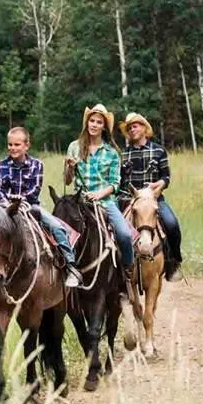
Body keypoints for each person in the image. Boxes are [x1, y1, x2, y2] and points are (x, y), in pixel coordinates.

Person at [0, 127, 83, 288]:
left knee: (56, 226)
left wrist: (20, 201)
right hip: (4, 209)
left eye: (17, 145)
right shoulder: (1, 166)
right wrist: (6, 203)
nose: (13, 148)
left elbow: (35, 190)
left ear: (27, 145)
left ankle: (71, 265)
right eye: (10, 145)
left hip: (29, 206)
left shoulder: (36, 165)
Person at [63, 104, 135, 279]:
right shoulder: (74, 147)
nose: (94, 125)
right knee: (58, 229)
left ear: (104, 127)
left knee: (125, 234)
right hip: (79, 201)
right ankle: (62, 270)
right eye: (92, 121)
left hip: (105, 202)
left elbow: (115, 184)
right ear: (87, 123)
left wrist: (98, 195)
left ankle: (128, 268)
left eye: (98, 122)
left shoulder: (112, 153)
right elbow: (67, 180)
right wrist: (70, 167)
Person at [117, 112, 183, 281]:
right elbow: (120, 181)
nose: (132, 130)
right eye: (129, 128)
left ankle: (173, 262)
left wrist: (160, 185)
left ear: (144, 128)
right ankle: (117, 270)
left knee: (172, 224)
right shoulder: (124, 154)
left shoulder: (159, 151)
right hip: (130, 201)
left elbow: (166, 177)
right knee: (112, 229)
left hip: (154, 200)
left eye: (135, 126)